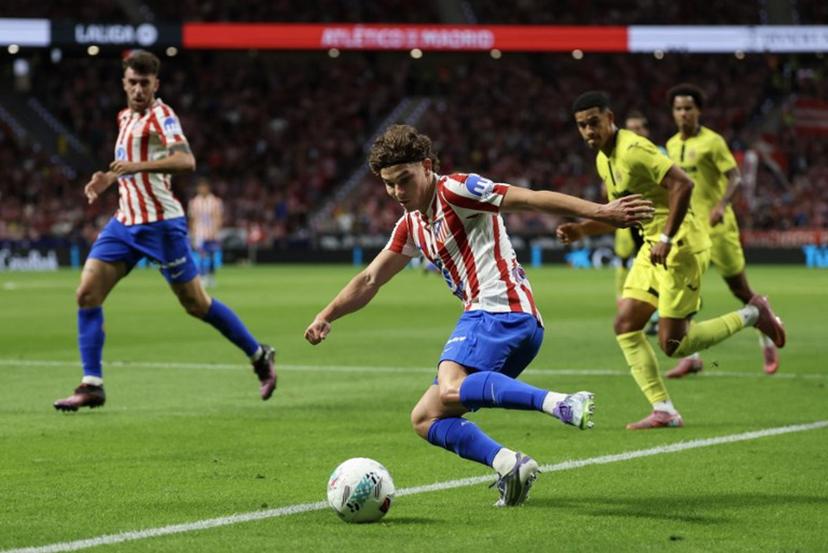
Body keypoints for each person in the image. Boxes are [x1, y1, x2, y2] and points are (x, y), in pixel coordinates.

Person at [304, 124, 655, 507]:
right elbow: (370, 278)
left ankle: (561, 403)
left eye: (404, 180)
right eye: (389, 184)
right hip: (510, 323)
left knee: (450, 385)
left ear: (425, 165)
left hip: (498, 308)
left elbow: (530, 199)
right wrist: (327, 314)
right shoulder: (411, 225)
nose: (397, 192)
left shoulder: (455, 189)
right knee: (426, 418)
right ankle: (510, 465)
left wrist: (602, 212)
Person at [54, 50, 276, 412]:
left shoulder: (163, 116)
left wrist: (133, 167)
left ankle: (258, 355)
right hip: (125, 223)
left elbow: (186, 160)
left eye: (145, 83)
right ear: (124, 84)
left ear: (155, 84)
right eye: (133, 82)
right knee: (86, 294)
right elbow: (126, 165)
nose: (139, 89)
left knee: (196, 304)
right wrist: (108, 178)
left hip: (161, 225)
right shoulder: (124, 116)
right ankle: (91, 384)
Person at [558, 91, 785, 430]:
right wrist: (581, 230)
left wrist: (665, 237)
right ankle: (664, 410)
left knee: (673, 345)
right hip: (654, 247)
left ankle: (753, 313)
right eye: (582, 125)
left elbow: (683, 183)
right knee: (625, 324)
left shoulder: (634, 149)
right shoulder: (603, 160)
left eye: (594, 122)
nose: (589, 130)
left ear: (609, 118)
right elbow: (621, 213)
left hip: (680, 245)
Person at [665, 83, 781, 376]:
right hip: (689, 232)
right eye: (678, 109)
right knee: (686, 295)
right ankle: (692, 357)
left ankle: (766, 335)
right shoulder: (670, 145)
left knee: (740, 289)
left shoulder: (712, 142)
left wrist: (720, 205)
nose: (683, 114)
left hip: (719, 228)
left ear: (698, 111)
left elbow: (736, 178)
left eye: (688, 108)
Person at [188, 177, 224, 288]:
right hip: (200, 234)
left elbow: (218, 217)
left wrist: (216, 231)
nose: (202, 189)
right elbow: (192, 219)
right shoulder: (194, 202)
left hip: (212, 233)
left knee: (212, 256)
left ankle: (211, 276)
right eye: (200, 187)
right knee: (201, 256)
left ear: (208, 188)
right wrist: (192, 233)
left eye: (204, 187)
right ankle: (202, 276)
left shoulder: (216, 202)